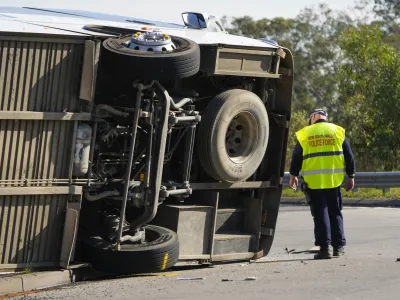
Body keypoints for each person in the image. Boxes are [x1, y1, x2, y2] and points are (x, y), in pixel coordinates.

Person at [289, 108, 355, 259]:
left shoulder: (305, 133)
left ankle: (325, 249)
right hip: (333, 181)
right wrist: (351, 176)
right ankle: (338, 248)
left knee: (320, 215)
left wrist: (293, 175)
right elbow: (349, 156)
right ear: (326, 118)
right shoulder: (338, 131)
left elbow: (296, 157)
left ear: (313, 118)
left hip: (314, 183)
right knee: (335, 213)